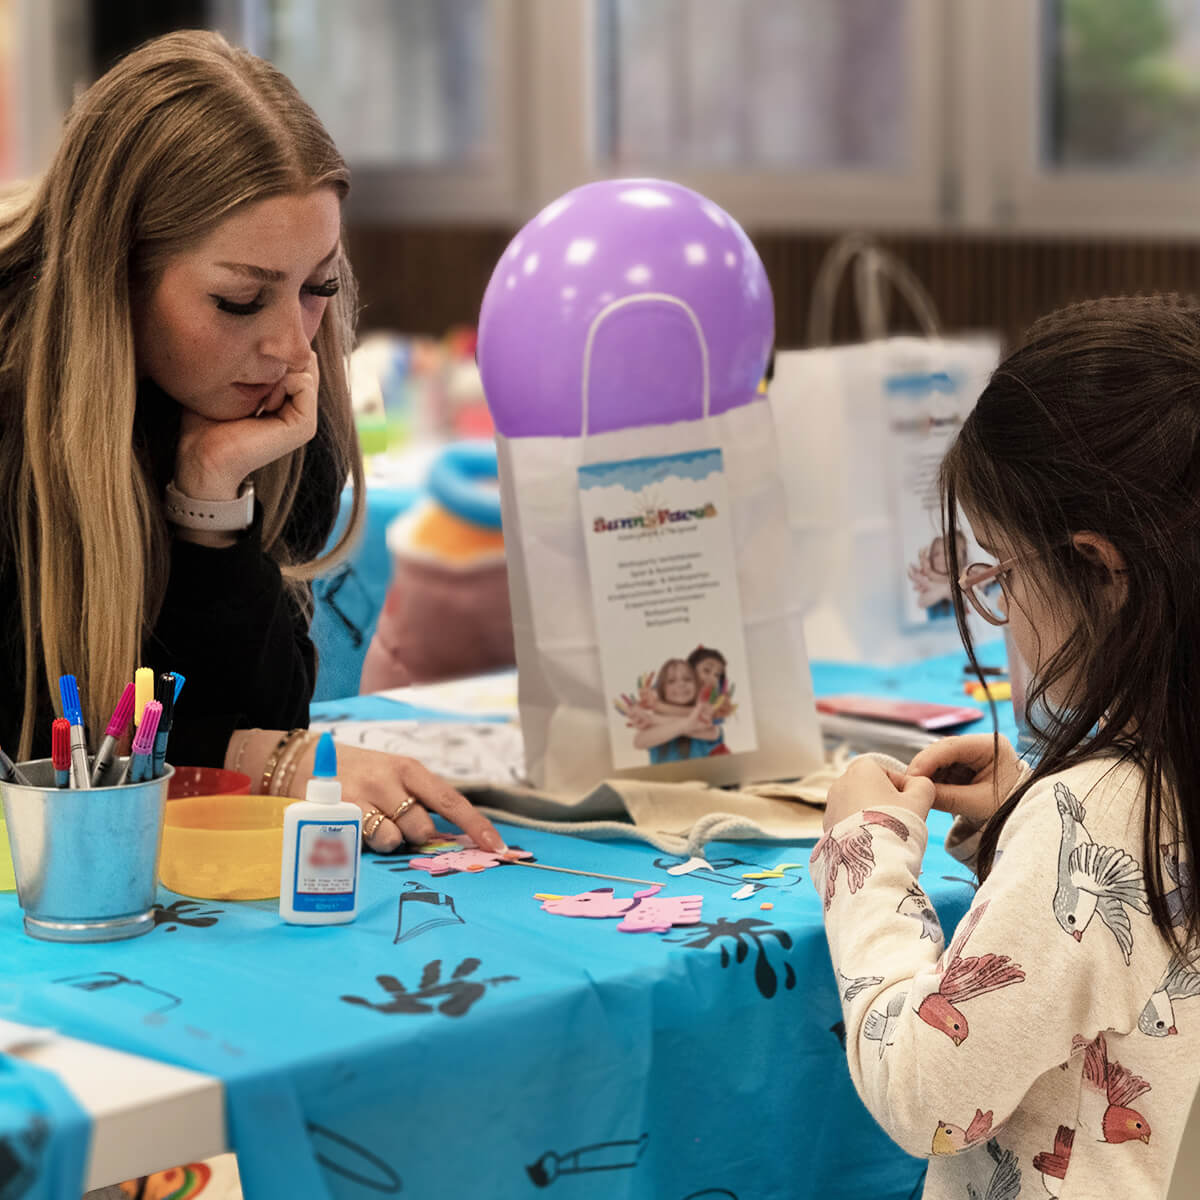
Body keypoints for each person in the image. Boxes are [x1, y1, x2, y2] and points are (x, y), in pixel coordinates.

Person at [0, 30, 504, 856]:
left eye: (318, 286)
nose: (291, 346)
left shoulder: (283, 393)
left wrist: (209, 506)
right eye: (239, 300)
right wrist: (261, 762)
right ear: (115, 269)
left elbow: (261, 714)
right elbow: (32, 743)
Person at [811, 295, 1200, 1199]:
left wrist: (862, 861)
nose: (999, 605)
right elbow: (1127, 962)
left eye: (1000, 569)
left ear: (1097, 567)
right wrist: (1021, 822)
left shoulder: (1097, 812)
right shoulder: (1154, 784)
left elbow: (927, 1094)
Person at [629, 658, 721, 764]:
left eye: (687, 679)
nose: (681, 684)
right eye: (671, 681)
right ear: (661, 689)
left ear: (697, 685)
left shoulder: (707, 719)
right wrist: (686, 724)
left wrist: (653, 718)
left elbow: (712, 732)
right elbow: (639, 742)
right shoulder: (652, 723)